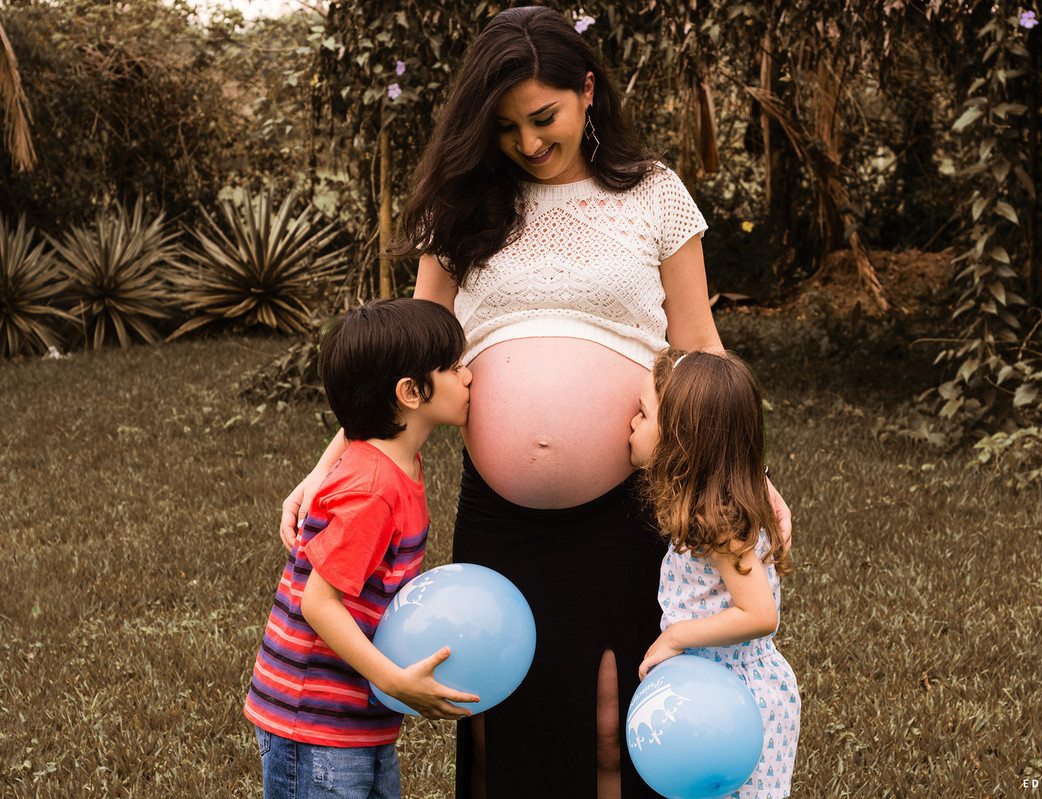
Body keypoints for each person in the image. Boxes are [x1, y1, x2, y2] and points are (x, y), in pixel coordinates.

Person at [279, 7, 791, 797]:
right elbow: (409, 356)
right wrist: (330, 462)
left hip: (633, 505)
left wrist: (744, 470)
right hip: (502, 516)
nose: (527, 143)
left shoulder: (654, 193)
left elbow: (699, 345)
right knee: (498, 727)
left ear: (588, 92)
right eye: (507, 126)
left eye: (544, 117)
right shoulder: (462, 204)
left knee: (613, 722)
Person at [247, 298, 479, 799]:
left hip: (355, 716)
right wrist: (394, 681)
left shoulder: (401, 466)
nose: (470, 376)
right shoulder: (373, 488)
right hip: (312, 723)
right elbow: (318, 602)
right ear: (411, 392)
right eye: (456, 366)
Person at [630, 350, 800, 798]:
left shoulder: (723, 524)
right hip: (707, 691)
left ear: (680, 444)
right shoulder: (711, 506)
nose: (631, 422)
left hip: (742, 700)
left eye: (643, 413)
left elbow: (761, 615)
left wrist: (675, 637)